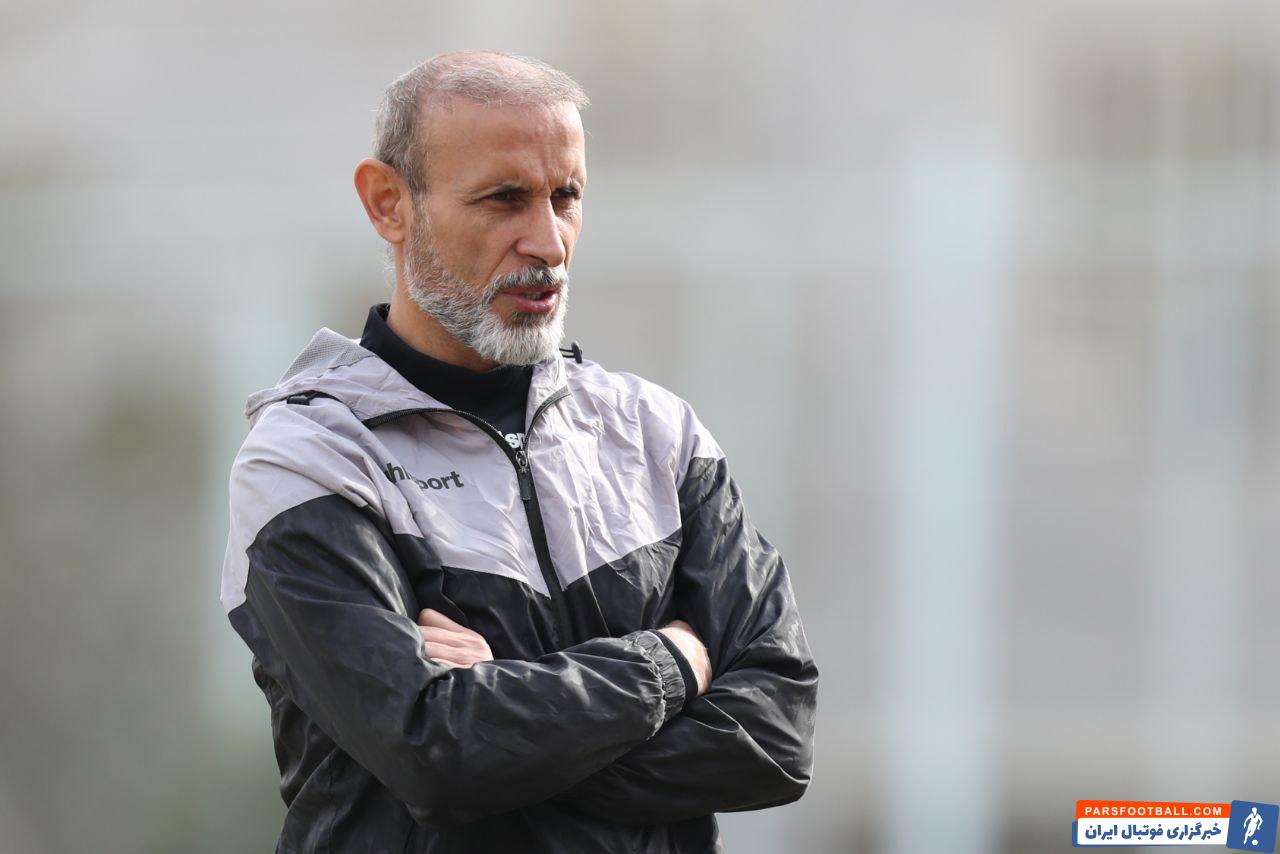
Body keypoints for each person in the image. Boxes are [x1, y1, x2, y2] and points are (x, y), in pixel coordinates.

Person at [220, 49, 819, 853]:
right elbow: (434, 755)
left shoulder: (658, 433)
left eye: (566, 196)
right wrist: (670, 664)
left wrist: (504, 709)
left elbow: (776, 735)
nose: (548, 242)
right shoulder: (309, 459)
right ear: (389, 203)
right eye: (504, 199)